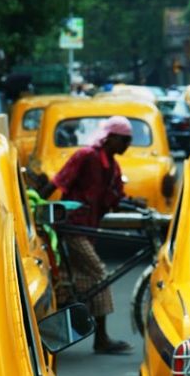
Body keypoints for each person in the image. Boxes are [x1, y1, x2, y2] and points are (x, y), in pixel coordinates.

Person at [38, 115, 134, 354]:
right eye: (124, 140)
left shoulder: (112, 166)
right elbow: (58, 182)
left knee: (78, 284)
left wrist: (135, 204)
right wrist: (35, 207)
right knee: (99, 275)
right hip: (72, 227)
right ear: (110, 138)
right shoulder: (86, 156)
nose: (127, 145)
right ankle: (101, 339)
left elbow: (115, 198)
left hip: (88, 228)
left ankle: (56, 333)